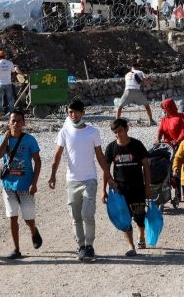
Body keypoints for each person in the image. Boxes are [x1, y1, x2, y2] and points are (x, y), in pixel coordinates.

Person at [48, 100, 114, 263]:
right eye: (70, 112)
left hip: (89, 179)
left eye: (76, 112)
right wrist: (52, 175)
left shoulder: (93, 132)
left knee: (87, 213)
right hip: (72, 180)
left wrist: (109, 176)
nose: (73, 115)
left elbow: (100, 156)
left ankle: (90, 246)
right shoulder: (64, 132)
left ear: (83, 113)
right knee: (75, 216)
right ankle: (81, 246)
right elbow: (57, 155)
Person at [0, 110, 42, 260]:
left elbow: (38, 161)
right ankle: (16, 249)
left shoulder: (30, 140)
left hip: (25, 185)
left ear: (24, 123)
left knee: (28, 218)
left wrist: (34, 183)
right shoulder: (4, 139)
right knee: (12, 217)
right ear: (8, 122)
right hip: (8, 185)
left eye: (19, 121)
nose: (16, 124)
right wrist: (6, 138)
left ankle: (33, 231)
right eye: (13, 121)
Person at [103, 118, 152, 256]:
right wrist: (103, 190)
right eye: (115, 132)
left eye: (120, 131)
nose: (118, 134)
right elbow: (106, 170)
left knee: (140, 216)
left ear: (127, 129)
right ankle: (131, 246)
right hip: (120, 191)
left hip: (137, 188)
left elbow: (146, 167)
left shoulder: (137, 145)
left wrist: (148, 187)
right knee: (125, 219)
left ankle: (141, 234)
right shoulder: (111, 148)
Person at [116, 61, 156, 126]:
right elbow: (146, 78)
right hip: (136, 91)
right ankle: (151, 120)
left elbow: (128, 84)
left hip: (127, 91)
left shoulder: (127, 74)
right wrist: (148, 84)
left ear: (132, 68)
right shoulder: (140, 72)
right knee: (146, 105)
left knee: (120, 107)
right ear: (137, 68)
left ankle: (117, 122)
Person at [0, 51, 18, 118]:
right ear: (4, 56)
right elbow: (13, 72)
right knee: (10, 99)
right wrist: (12, 79)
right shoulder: (10, 63)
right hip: (8, 83)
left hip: (0, 84)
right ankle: (12, 114)